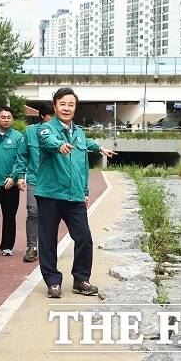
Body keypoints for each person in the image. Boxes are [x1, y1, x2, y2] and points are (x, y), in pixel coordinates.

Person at [36, 87, 116, 298]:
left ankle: (81, 279)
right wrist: (59, 145)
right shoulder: (45, 129)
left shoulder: (79, 132)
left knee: (84, 238)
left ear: (75, 108)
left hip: (74, 196)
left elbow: (82, 165)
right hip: (50, 195)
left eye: (71, 104)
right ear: (55, 107)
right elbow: (47, 141)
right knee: (47, 240)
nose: (66, 108)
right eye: (62, 104)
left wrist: (99, 149)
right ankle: (53, 282)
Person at [0, 106, 25, 256]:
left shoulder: (19, 137)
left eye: (9, 117)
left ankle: (7, 246)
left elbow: (21, 159)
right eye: (3, 117)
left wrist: (13, 177)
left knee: (9, 216)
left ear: (12, 119)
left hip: (10, 185)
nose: (6, 120)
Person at [15, 102, 53, 263]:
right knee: (33, 211)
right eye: (52, 116)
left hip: (55, 180)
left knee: (51, 215)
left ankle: (48, 247)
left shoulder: (61, 132)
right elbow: (22, 156)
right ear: (43, 116)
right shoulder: (30, 132)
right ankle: (32, 247)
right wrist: (20, 175)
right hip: (34, 179)